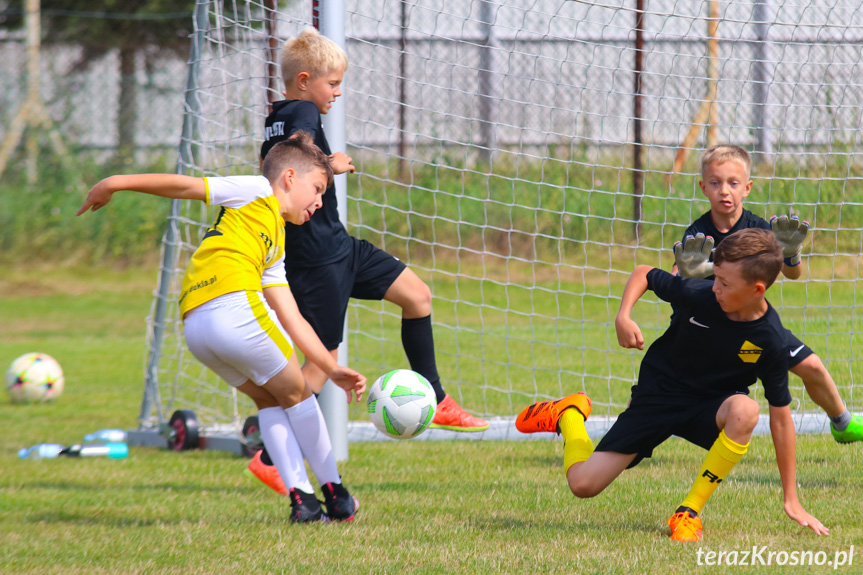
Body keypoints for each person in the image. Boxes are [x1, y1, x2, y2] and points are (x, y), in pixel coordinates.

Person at [77, 132, 366, 523]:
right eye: (317, 189)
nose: (319, 201)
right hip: (234, 308)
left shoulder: (274, 244)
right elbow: (185, 185)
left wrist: (330, 369)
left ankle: (303, 501)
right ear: (289, 178)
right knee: (298, 395)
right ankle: (337, 494)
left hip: (196, 327)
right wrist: (115, 182)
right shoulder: (255, 189)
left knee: (269, 399)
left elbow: (290, 314)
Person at [248, 28, 491, 493]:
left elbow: (277, 156)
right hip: (318, 261)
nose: (338, 93)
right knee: (321, 365)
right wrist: (327, 161)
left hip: (340, 247)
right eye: (332, 83)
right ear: (304, 80)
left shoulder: (278, 114)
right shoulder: (300, 112)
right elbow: (293, 152)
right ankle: (267, 452)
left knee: (416, 295)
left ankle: (436, 398)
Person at [516, 229, 829, 542]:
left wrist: (791, 498)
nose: (715, 288)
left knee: (746, 410)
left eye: (724, 283)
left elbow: (781, 417)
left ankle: (688, 512)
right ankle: (568, 414)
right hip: (659, 395)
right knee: (583, 485)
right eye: (715, 278)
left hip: (711, 405)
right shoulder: (701, 295)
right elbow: (645, 274)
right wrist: (623, 316)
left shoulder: (771, 340)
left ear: (757, 289)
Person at [673, 144, 862, 444]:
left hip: (750, 324)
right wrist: (686, 274)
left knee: (811, 365)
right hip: (702, 329)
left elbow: (792, 273)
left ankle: (843, 423)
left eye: (733, 183)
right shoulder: (698, 233)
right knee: (661, 386)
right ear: (703, 187)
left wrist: (791, 253)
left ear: (747, 187)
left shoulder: (758, 229)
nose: (725, 191)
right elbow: (675, 283)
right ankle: (636, 424)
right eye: (715, 183)